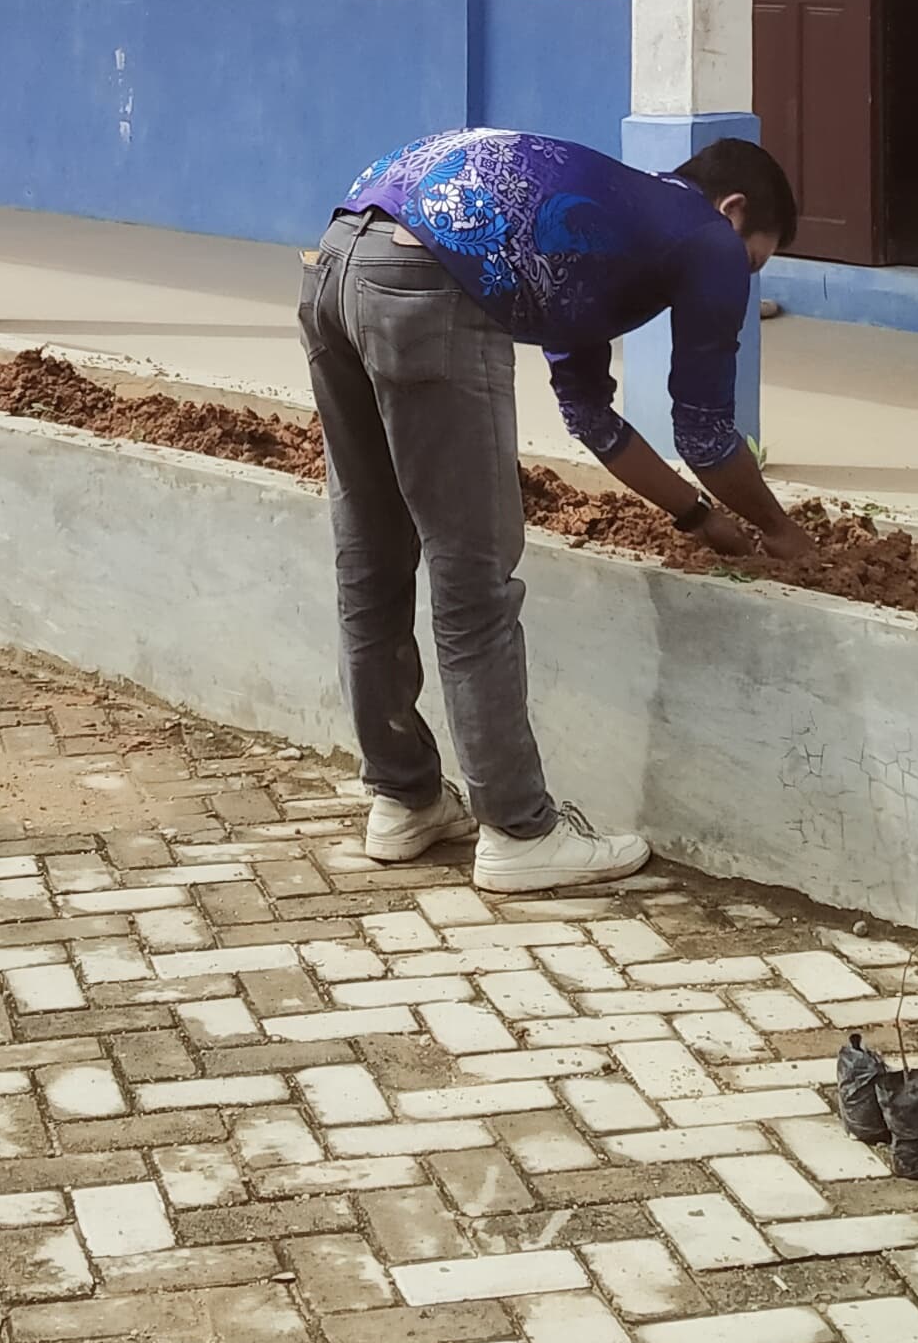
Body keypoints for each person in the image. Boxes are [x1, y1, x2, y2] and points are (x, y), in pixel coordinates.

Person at [304, 128, 809, 894]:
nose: (737, 284)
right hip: (427, 282)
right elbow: (703, 432)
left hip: (339, 260)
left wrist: (698, 519)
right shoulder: (707, 239)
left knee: (372, 556)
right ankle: (518, 832)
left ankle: (403, 800)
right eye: (753, 262)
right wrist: (783, 534)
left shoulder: (601, 226)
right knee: (473, 577)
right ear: (734, 212)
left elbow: (592, 417)